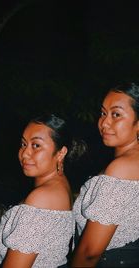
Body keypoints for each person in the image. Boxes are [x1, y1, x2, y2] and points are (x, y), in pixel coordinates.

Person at [0, 113, 87, 268]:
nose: (25, 153)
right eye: (23, 144)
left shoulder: (43, 197)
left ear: (61, 152)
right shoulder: (60, 187)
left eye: (36, 145)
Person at [71, 82, 139, 267]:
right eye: (103, 113)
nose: (104, 122)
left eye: (116, 114)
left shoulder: (122, 168)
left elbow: (89, 252)